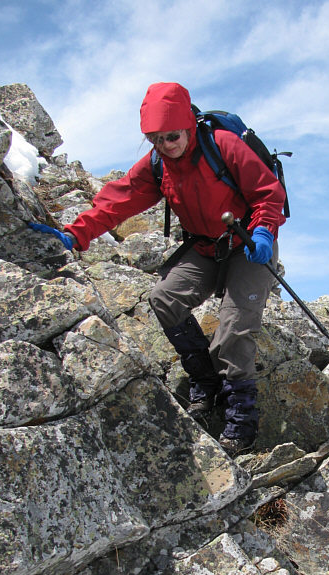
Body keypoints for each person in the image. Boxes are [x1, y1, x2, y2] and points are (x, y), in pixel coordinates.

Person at [31, 82, 286, 455]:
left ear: (188, 125)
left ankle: (241, 413)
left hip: (248, 245)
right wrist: (75, 233)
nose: (166, 145)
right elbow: (118, 200)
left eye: (173, 136)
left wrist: (263, 230)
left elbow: (268, 191)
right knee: (164, 298)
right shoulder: (157, 165)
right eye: (156, 139)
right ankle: (205, 378)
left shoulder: (223, 146)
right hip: (205, 246)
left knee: (233, 326)